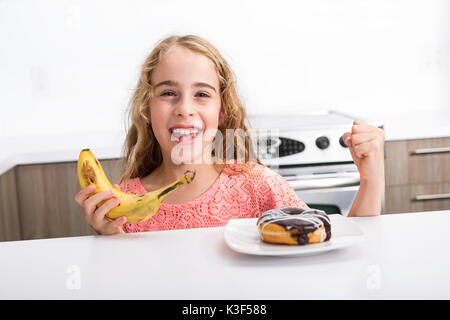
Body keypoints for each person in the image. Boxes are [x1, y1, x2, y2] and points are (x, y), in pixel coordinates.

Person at [74, 34, 385, 235]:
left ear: (222, 112)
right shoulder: (122, 206)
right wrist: (108, 239)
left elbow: (330, 244)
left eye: (202, 95)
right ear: (147, 107)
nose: (185, 109)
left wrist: (371, 179)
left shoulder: (258, 185)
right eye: (169, 92)